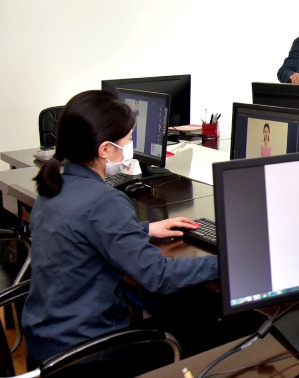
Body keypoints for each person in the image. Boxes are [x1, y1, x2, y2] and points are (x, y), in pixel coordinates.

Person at [22, 90, 218, 364]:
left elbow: (83, 234)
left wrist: (144, 230)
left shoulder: (53, 184)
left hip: (45, 349)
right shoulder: (105, 200)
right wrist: (229, 261)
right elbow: (158, 276)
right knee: (201, 329)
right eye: (128, 140)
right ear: (105, 149)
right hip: (87, 357)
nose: (129, 146)